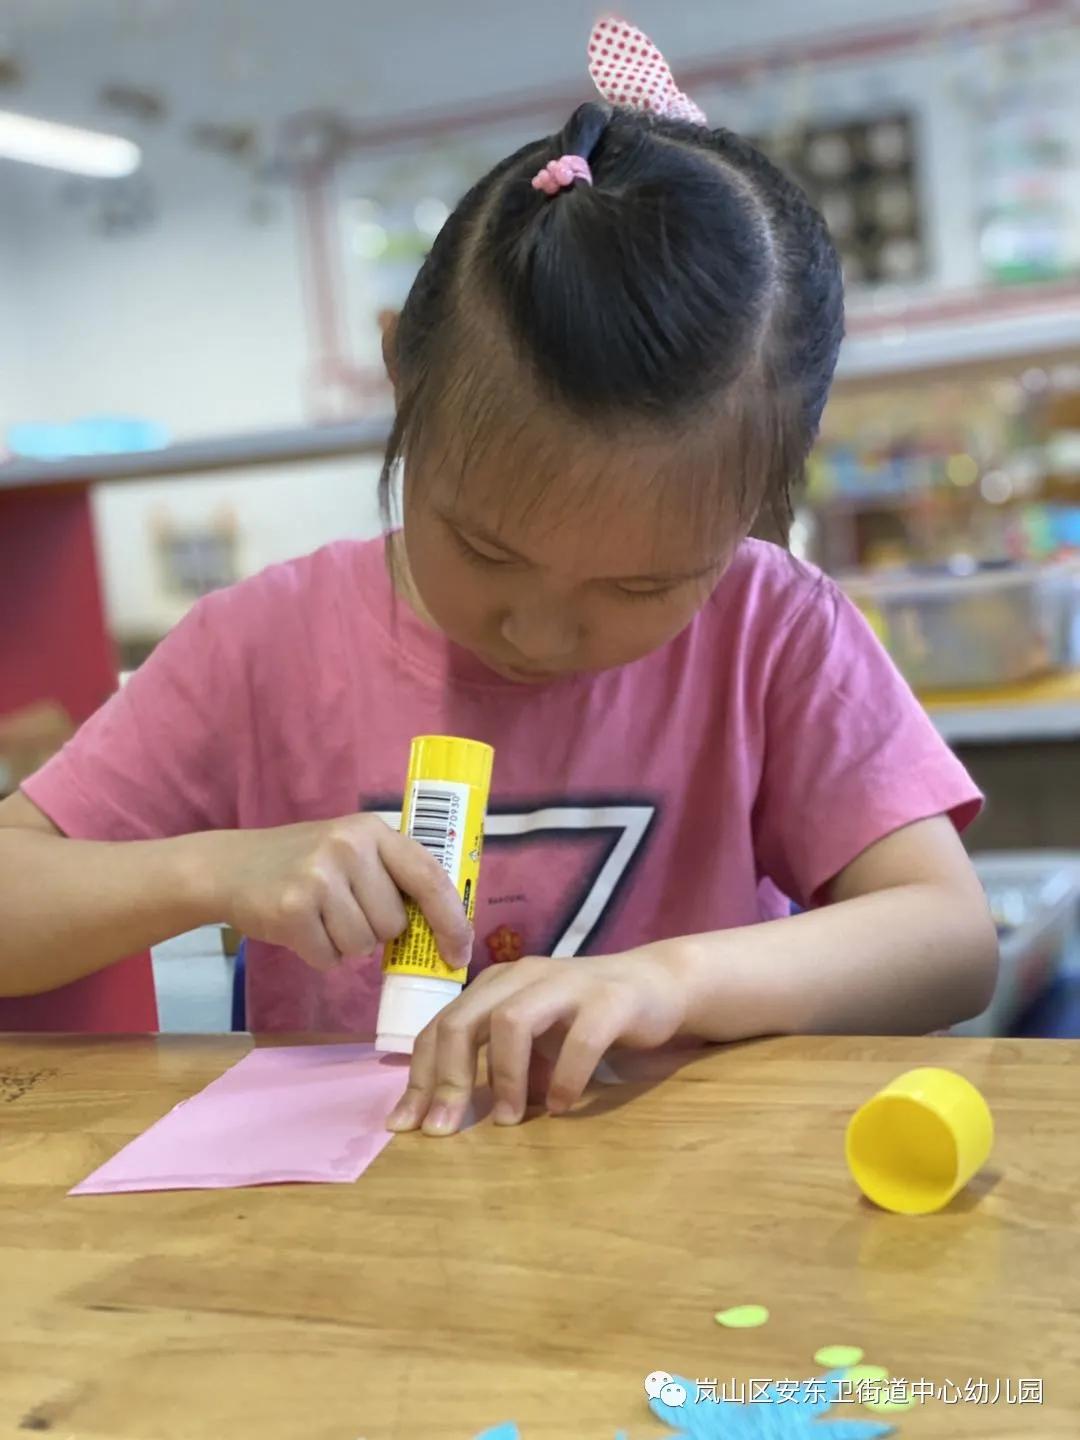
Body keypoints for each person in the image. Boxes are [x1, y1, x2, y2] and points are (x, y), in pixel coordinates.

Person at [0, 21, 996, 1138]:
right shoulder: (261, 645)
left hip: (694, 1222)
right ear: (401, 382)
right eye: (483, 550)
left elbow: (951, 942)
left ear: (760, 503)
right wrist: (213, 874)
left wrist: (665, 982)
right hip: (342, 1245)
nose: (540, 630)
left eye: (639, 587)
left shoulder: (772, 628)